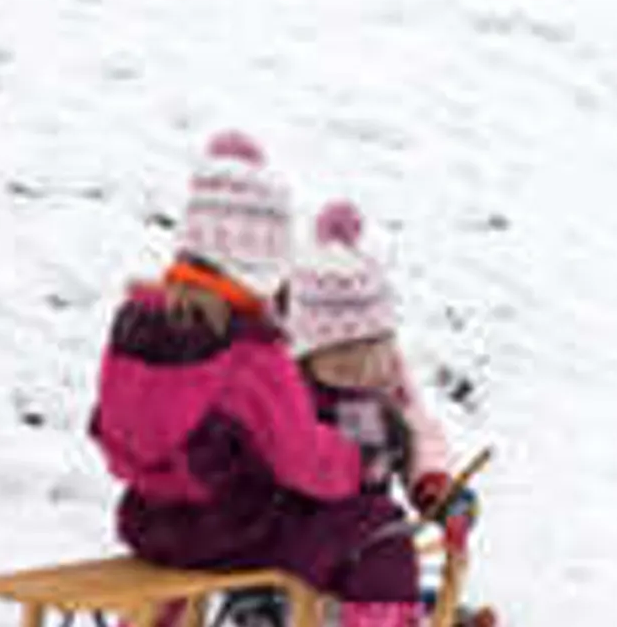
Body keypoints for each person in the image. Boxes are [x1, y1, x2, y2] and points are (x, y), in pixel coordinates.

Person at [88, 132, 423, 627]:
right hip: (233, 531)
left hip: (148, 523)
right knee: (378, 530)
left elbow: (108, 430)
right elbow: (303, 460)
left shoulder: (133, 327)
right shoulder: (251, 352)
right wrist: (358, 463)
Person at [220, 200, 490, 627]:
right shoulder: (282, 387)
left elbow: (416, 430)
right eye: (344, 356)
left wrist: (433, 483)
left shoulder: (383, 375)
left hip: (362, 535)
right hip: (288, 530)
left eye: (376, 348)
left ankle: (393, 611)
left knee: (384, 554)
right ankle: (263, 607)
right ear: (307, 351)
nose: (364, 367)